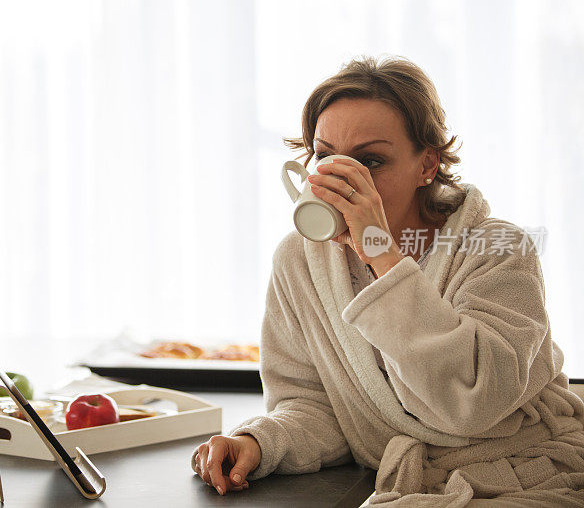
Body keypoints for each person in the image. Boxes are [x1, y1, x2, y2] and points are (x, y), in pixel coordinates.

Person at [191, 55, 584, 505]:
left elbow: (474, 402)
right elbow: (317, 407)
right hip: (403, 479)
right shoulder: (300, 261)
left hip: (531, 470)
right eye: (325, 157)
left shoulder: (498, 248)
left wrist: (381, 254)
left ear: (427, 165)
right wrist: (259, 444)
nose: (344, 178)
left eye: (370, 160)